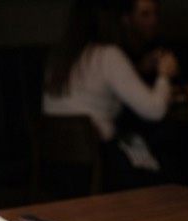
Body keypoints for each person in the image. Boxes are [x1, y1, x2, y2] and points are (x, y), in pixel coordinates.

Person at [42, 0, 179, 190]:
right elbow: (155, 111)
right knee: (170, 160)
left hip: (56, 166)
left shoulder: (61, 56)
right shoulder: (107, 55)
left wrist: (137, 69)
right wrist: (165, 75)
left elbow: (94, 88)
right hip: (101, 167)